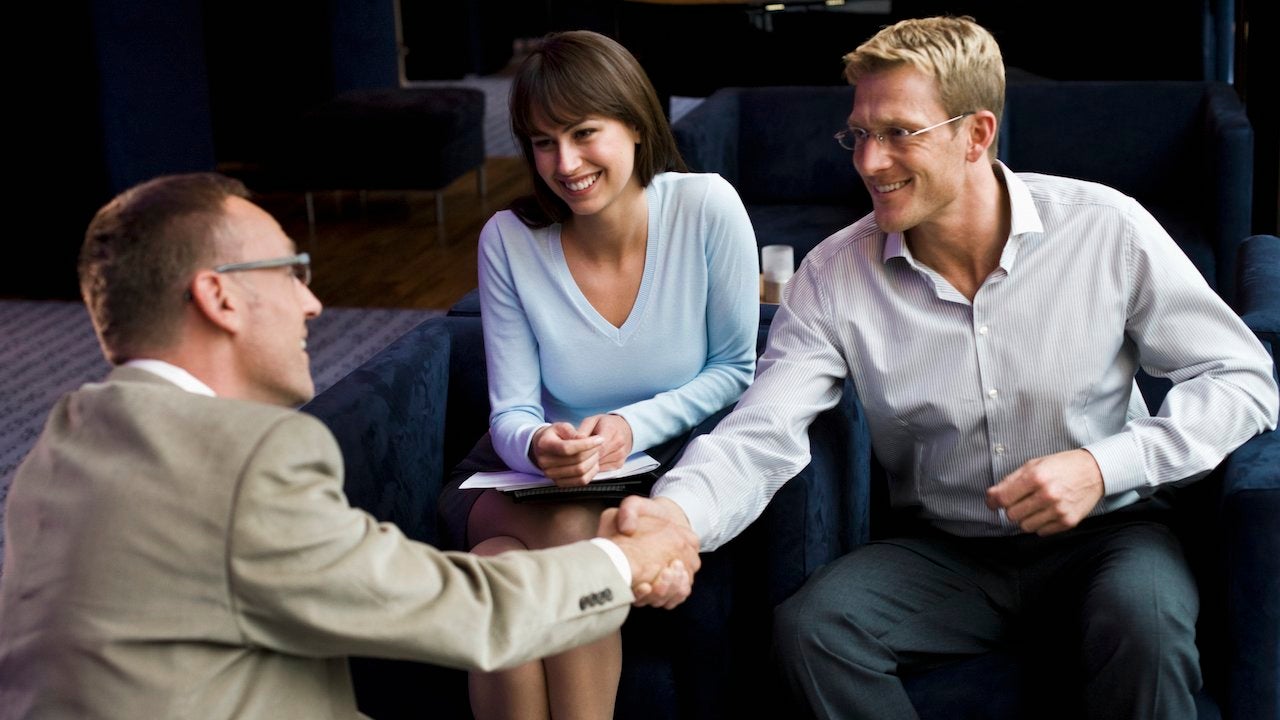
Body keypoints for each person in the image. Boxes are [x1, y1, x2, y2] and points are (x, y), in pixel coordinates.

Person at [614, 15, 1280, 719]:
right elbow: (762, 432)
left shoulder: (1105, 229)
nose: (868, 161)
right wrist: (674, 515)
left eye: (900, 132)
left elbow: (1244, 381)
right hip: (945, 554)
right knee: (813, 631)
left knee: (1145, 624)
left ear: (977, 134)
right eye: (859, 134)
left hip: (1111, 537)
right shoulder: (834, 275)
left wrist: (1102, 466)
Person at [0, 172, 703, 720]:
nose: (313, 303)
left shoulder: (66, 437)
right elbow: (467, 614)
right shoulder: (247, 458)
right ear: (219, 297)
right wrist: (632, 558)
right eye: (290, 270)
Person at [437, 29, 759, 720]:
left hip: (649, 475)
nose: (565, 162)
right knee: (572, 542)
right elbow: (511, 413)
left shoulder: (706, 208)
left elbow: (734, 367)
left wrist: (629, 426)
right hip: (520, 482)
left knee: (505, 577)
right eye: (542, 142)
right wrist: (539, 445)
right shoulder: (510, 240)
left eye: (585, 133)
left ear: (637, 126)